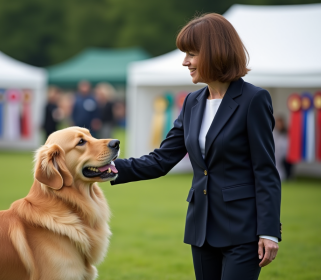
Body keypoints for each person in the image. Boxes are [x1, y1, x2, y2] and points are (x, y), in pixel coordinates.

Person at [111, 13, 281, 280]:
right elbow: (161, 160)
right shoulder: (193, 102)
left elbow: (265, 170)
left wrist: (269, 231)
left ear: (215, 53)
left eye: (191, 53)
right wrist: (106, 168)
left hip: (243, 231)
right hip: (200, 230)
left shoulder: (254, 100)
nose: (185, 62)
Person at [273, 115, 289, 181]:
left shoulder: (286, 133)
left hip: (285, 155)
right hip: (276, 154)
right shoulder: (274, 132)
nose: (279, 125)